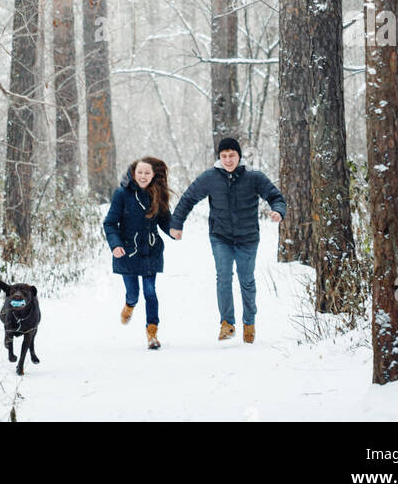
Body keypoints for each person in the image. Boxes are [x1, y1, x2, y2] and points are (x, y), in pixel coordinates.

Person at [169, 137, 285, 343]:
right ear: (219, 157)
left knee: (246, 280)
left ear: (239, 156)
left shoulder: (254, 177)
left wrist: (278, 211)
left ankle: (249, 324)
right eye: (224, 156)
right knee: (223, 277)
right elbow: (188, 198)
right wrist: (177, 224)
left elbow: (275, 196)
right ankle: (227, 324)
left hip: (248, 238)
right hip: (220, 236)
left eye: (232, 155)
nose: (228, 160)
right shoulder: (210, 177)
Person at [103, 156, 173, 350]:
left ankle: (152, 333)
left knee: (150, 292)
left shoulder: (158, 194)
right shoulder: (122, 194)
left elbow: (165, 220)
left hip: (150, 250)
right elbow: (110, 223)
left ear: (153, 175)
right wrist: (115, 244)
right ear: (133, 173)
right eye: (139, 172)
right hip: (128, 251)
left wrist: (174, 230)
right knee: (133, 293)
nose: (143, 176)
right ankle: (129, 305)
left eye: (147, 173)